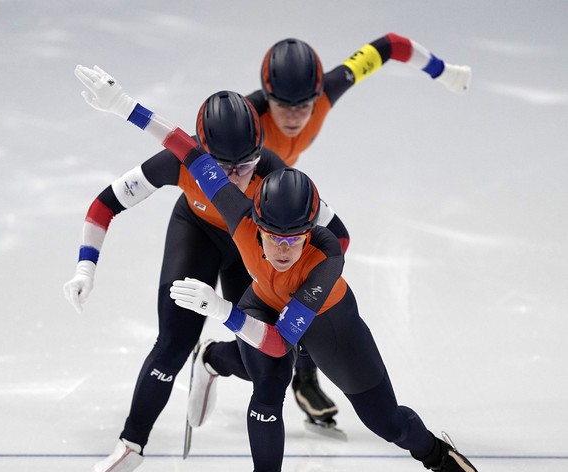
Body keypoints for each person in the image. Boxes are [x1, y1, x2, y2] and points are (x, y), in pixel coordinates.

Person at [73, 66, 490, 472]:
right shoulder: (238, 213)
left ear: (311, 231)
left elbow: (276, 340)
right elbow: (185, 147)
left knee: (385, 422)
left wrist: (221, 308)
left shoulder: (324, 262)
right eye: (273, 237)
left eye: (295, 238)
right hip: (265, 302)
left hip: (323, 316)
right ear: (253, 220)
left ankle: (435, 453)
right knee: (268, 390)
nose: (283, 248)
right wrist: (122, 102)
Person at [65, 87, 350, 472]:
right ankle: (131, 444)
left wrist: (309, 289)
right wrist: (85, 267)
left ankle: (213, 359)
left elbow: (337, 236)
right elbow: (105, 204)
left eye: (248, 164)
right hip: (195, 235)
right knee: (173, 342)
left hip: (250, 251)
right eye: (225, 168)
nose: (238, 177)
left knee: (264, 359)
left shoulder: (275, 171)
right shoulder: (179, 162)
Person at [193, 33, 472, 429]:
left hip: (283, 205)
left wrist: (442, 71)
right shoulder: (247, 121)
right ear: (265, 101)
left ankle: (295, 373)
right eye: (280, 106)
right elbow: (204, 147)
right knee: (270, 347)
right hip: (241, 211)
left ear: (317, 95)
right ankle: (223, 359)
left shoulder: (326, 93)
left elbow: (388, 46)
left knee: (310, 295)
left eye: (303, 106)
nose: (292, 117)